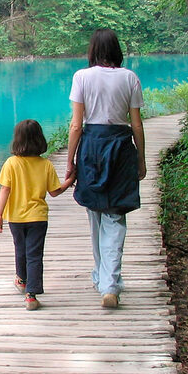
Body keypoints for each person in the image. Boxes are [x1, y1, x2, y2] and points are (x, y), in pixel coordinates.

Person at [65, 28, 146, 309]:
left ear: (92, 51)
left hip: (92, 146)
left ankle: (105, 279)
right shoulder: (129, 78)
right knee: (115, 215)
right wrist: (141, 159)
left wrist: (70, 160)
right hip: (121, 146)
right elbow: (136, 124)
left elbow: (76, 124)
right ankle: (108, 282)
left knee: (96, 214)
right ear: (116, 50)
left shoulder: (81, 77)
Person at [0, 119, 74, 310]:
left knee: (20, 249)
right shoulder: (45, 165)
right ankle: (31, 295)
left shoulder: (11, 163)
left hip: (15, 217)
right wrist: (70, 180)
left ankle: (21, 279)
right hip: (38, 217)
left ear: (17, 140)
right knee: (34, 254)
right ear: (40, 139)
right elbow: (54, 192)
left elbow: (5, 189)